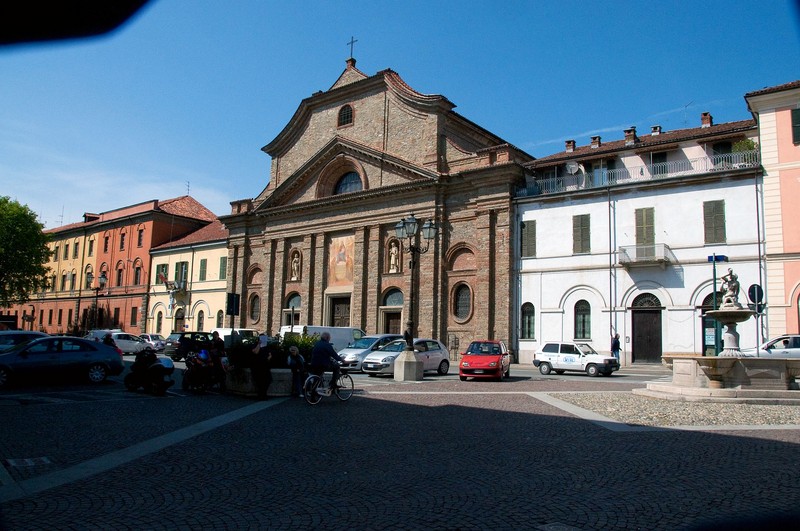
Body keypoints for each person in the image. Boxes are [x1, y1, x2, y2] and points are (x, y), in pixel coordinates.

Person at [250, 334, 273, 400]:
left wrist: (269, 357)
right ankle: (261, 395)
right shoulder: (255, 345)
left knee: (268, 380)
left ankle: (264, 394)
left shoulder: (266, 346)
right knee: (259, 381)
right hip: (258, 366)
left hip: (265, 365)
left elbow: (270, 354)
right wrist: (259, 344)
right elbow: (255, 352)